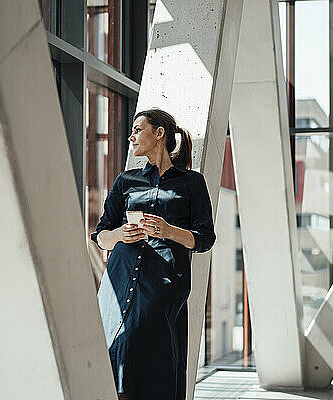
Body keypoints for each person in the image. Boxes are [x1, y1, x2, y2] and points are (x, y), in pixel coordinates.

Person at [91, 108, 216, 400]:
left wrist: (168, 230)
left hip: (163, 282)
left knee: (147, 352)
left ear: (158, 134)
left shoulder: (191, 183)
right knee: (114, 346)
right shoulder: (126, 180)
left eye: (137, 130)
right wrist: (120, 234)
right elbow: (101, 234)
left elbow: (205, 238)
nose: (131, 137)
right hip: (119, 278)